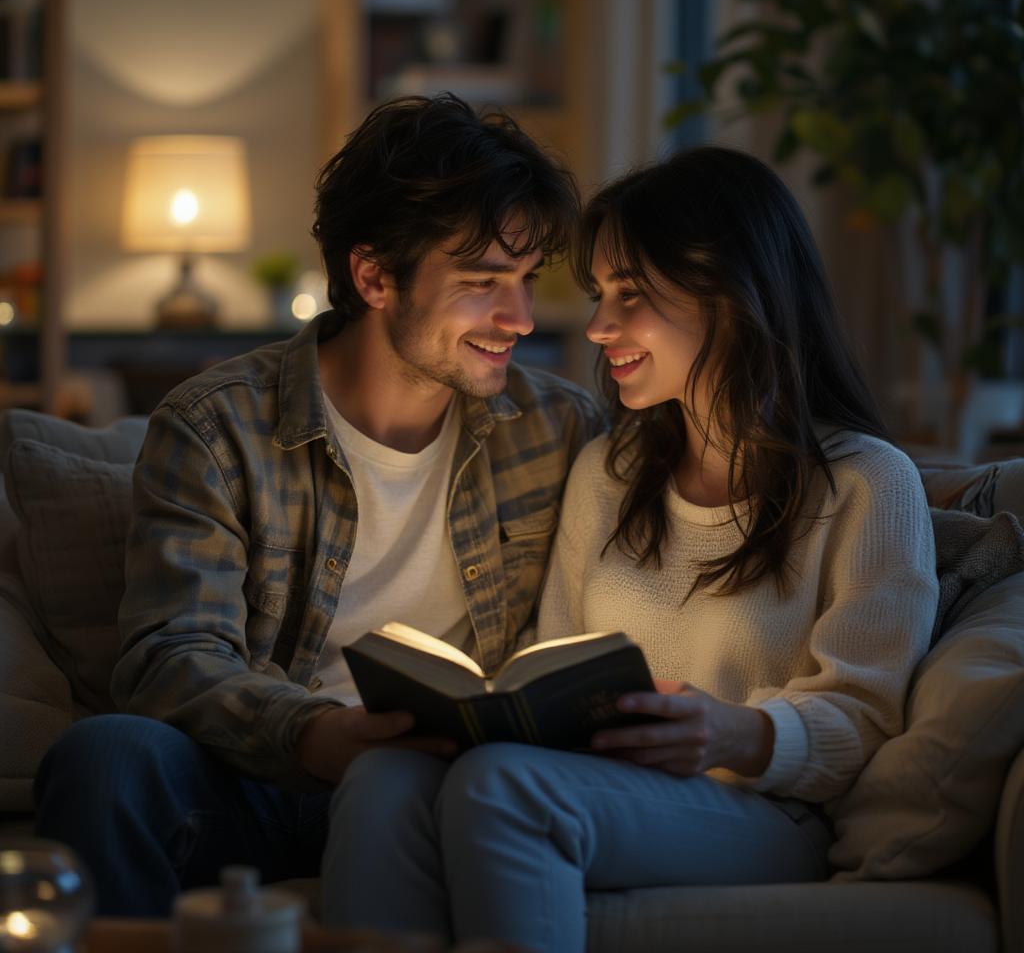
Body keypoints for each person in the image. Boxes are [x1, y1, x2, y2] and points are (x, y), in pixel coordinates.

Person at [320, 147, 940, 952]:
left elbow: (868, 719)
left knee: (505, 788)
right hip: (603, 786)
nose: (599, 327)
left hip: (764, 809)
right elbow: (553, 660)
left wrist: (732, 734)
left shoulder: (867, 486)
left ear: (730, 295)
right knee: (384, 778)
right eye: (599, 295)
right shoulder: (609, 472)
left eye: (632, 296)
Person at [32, 94, 603, 916]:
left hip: (453, 786)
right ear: (373, 275)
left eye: (523, 281)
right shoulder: (217, 425)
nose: (518, 319)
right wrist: (312, 734)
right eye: (482, 284)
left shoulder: (560, 428)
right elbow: (171, 654)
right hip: (263, 777)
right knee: (107, 759)